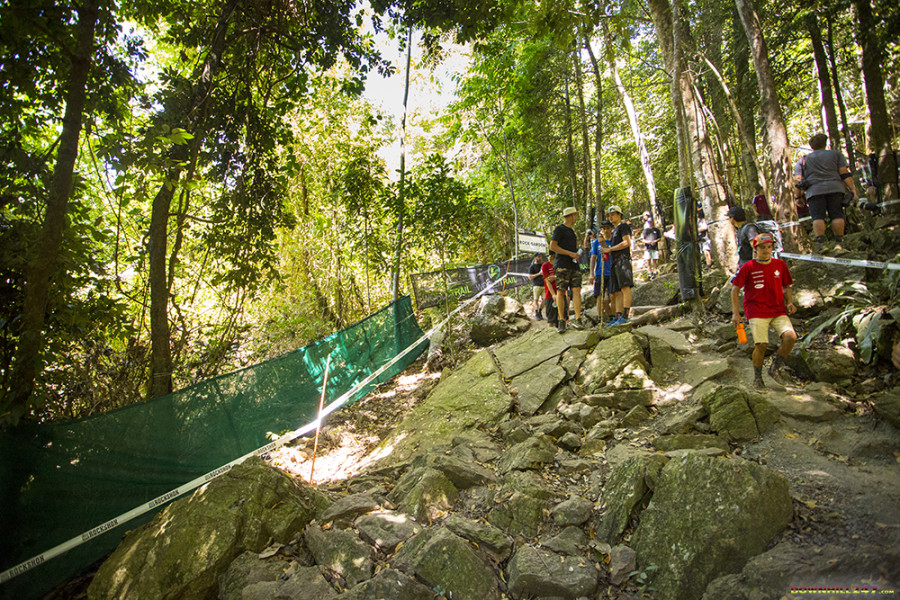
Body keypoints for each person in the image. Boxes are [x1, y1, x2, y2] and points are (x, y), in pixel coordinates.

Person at [730, 232, 797, 389]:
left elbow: (787, 285)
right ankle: (757, 378)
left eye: (769, 247)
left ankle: (775, 366)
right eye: (762, 247)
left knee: (790, 337)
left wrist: (790, 302)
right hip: (756, 310)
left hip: (778, 310)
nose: (766, 250)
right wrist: (736, 313)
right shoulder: (748, 267)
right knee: (761, 345)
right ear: (755, 249)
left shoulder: (780, 265)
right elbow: (735, 289)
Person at [793, 133, 858, 252]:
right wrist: (852, 189)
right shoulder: (836, 155)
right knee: (837, 214)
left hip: (814, 191)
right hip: (835, 188)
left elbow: (798, 179)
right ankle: (839, 244)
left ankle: (821, 245)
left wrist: (798, 196)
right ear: (825, 143)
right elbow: (844, 173)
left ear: (811, 146)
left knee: (818, 217)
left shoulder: (803, 160)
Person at [549, 206, 586, 331]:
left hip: (574, 265)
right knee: (561, 291)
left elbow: (570, 249)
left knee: (576, 290)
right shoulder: (559, 229)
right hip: (562, 265)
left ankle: (578, 318)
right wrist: (570, 254)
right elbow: (553, 246)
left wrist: (577, 252)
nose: (576, 217)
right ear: (571, 216)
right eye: (575, 215)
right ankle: (561, 320)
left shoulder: (572, 232)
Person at [600, 205, 633, 326]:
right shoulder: (614, 231)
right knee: (617, 291)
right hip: (615, 263)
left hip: (622, 260)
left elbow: (627, 242)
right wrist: (604, 247)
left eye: (613, 214)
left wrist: (610, 249)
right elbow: (611, 249)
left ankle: (625, 315)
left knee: (625, 287)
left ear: (619, 215)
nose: (611, 217)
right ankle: (618, 316)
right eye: (609, 215)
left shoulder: (623, 226)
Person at [589, 220, 614, 321]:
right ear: (601, 230)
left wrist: (604, 244)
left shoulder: (613, 242)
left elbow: (614, 254)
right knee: (600, 296)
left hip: (612, 272)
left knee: (612, 296)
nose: (606, 231)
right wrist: (591, 273)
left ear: (611, 229)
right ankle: (600, 317)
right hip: (600, 272)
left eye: (608, 228)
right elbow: (593, 258)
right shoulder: (596, 243)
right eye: (604, 228)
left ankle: (614, 316)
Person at [727, 205, 759, 271]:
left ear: (732, 218)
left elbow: (756, 248)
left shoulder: (749, 229)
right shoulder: (740, 230)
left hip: (751, 267)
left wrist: (754, 267)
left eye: (729, 217)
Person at [541, 251, 560, 325]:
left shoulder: (559, 264)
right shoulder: (545, 265)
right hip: (550, 294)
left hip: (560, 292)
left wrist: (555, 277)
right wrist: (553, 294)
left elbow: (563, 276)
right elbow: (547, 281)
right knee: (551, 318)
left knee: (561, 315)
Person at [527, 253, 545, 320]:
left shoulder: (543, 265)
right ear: (535, 257)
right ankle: (537, 312)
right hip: (536, 285)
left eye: (541, 256)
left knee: (545, 299)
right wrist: (539, 274)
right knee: (536, 300)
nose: (540, 258)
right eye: (538, 256)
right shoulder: (532, 266)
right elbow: (530, 276)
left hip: (544, 285)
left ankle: (540, 310)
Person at [697, 205, 712, 269]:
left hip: (705, 238)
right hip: (699, 239)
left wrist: (697, 230)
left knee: (706, 252)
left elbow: (705, 227)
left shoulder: (704, 219)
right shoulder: (696, 220)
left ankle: (709, 266)